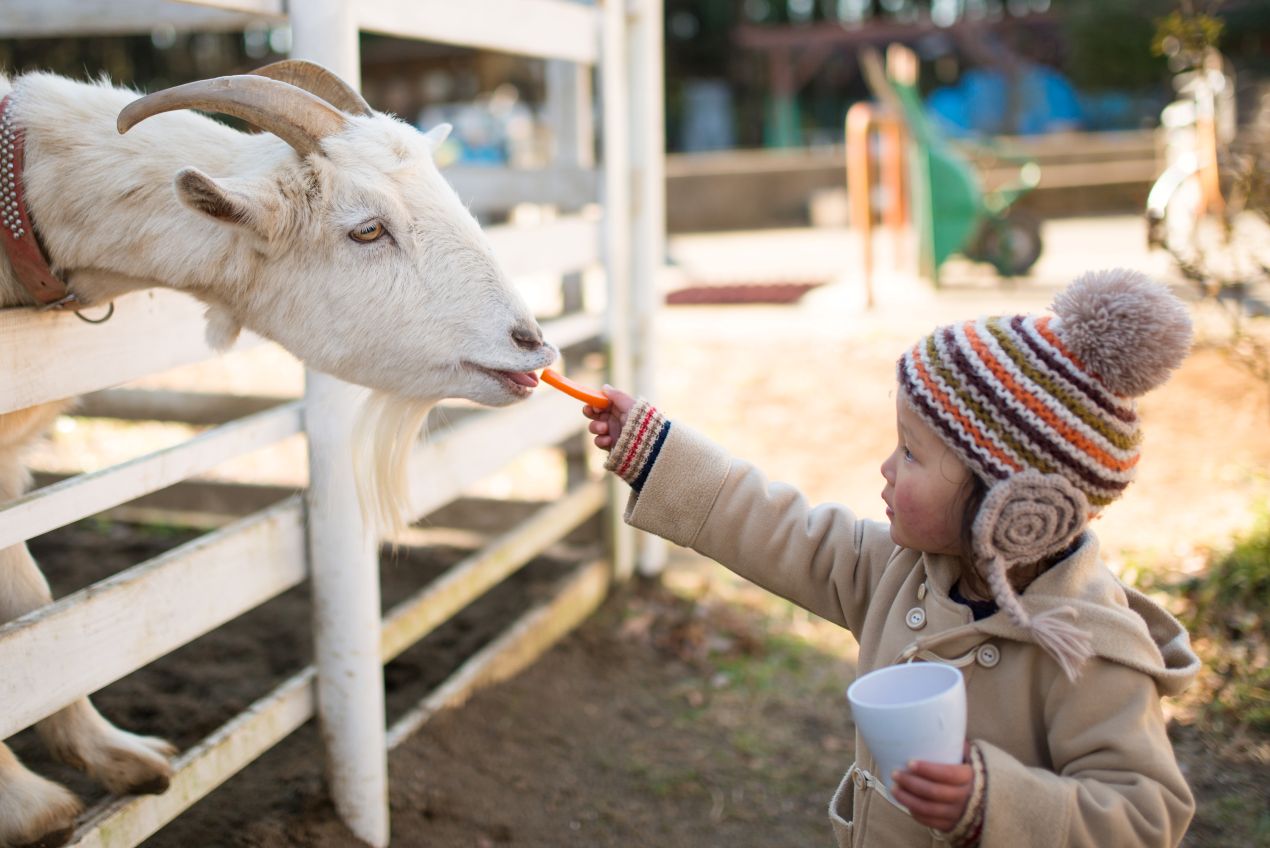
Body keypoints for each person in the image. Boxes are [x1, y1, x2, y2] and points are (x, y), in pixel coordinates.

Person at [582, 269, 1199, 847]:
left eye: (910, 452)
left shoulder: (1087, 651)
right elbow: (781, 530)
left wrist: (994, 804)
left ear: (1008, 506)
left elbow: (1146, 815)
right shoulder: (903, 574)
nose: (884, 466)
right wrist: (657, 453)